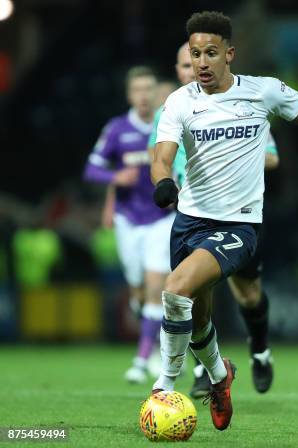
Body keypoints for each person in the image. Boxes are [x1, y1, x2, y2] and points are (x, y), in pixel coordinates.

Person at [150, 11, 298, 431]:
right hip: (188, 222)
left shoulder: (263, 92)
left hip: (237, 227)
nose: (202, 62)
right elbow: (162, 154)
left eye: (211, 54)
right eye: (196, 54)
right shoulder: (181, 101)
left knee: (174, 291)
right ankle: (221, 377)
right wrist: (164, 181)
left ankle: (164, 385)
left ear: (229, 54)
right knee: (198, 318)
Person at [146, 42, 281, 398]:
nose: (194, 68)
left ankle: (260, 351)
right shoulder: (172, 110)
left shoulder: (242, 106)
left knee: (247, 295)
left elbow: (271, 157)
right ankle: (207, 373)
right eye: (187, 63)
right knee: (189, 293)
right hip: (193, 218)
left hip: (237, 215)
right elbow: (156, 160)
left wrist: (232, 161)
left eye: (203, 60)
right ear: (179, 69)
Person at [84, 66, 174, 384]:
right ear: (129, 95)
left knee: (155, 288)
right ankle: (152, 343)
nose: (144, 95)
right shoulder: (117, 129)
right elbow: (91, 168)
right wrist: (114, 178)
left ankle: (140, 359)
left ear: (155, 92)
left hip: (161, 218)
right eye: (137, 90)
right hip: (127, 220)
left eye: (148, 88)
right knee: (137, 290)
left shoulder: (169, 126)